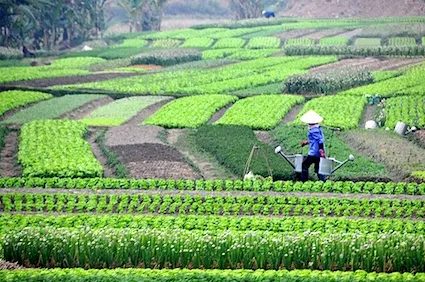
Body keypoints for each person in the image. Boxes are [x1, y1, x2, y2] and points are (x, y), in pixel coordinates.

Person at [299, 110, 327, 182]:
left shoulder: (313, 130)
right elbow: (314, 140)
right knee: (318, 169)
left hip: (314, 152)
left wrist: (321, 151)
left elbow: (319, 140)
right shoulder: (318, 128)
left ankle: (304, 182)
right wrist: (306, 143)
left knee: (304, 165)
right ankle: (323, 182)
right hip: (317, 152)